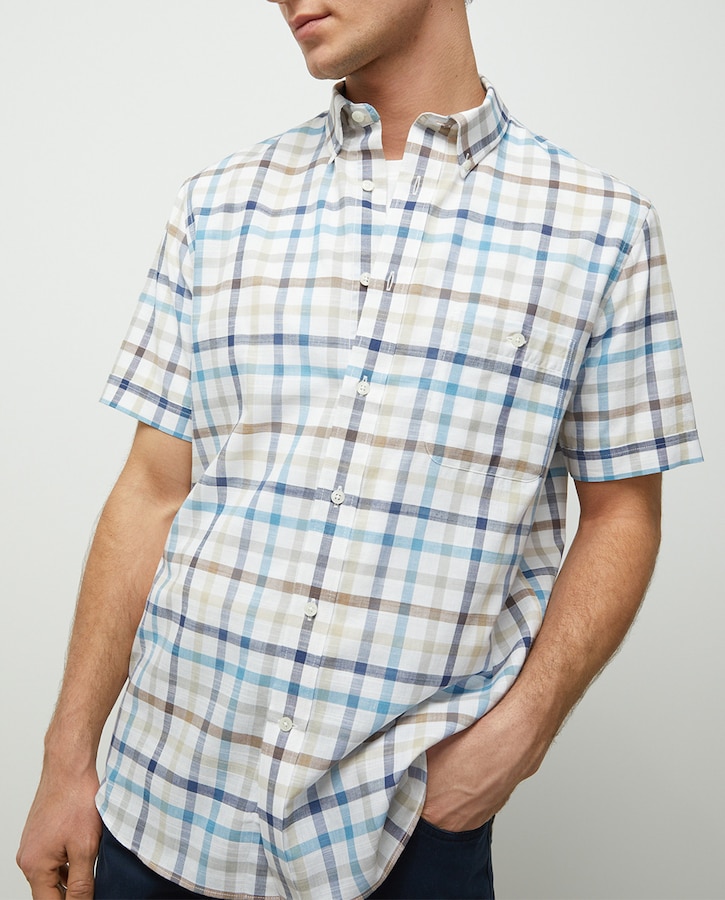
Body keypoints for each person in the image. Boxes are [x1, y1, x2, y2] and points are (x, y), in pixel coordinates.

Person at [17, 1, 702, 898]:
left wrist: (519, 736)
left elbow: (622, 515)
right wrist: (68, 762)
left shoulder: (602, 229)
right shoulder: (217, 205)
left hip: (400, 840)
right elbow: (151, 493)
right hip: (157, 810)